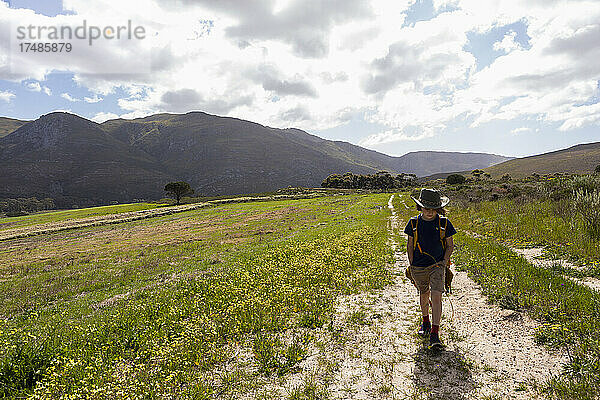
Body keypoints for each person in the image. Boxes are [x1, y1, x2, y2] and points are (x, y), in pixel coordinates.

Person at [404, 188, 456, 348]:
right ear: (420, 207)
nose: (429, 212)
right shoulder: (413, 223)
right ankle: (425, 321)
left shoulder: (444, 223)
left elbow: (450, 245)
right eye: (426, 208)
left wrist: (444, 262)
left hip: (437, 266)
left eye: (433, 209)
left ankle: (435, 333)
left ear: (438, 209)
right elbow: (410, 246)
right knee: (424, 293)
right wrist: (412, 266)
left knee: (436, 296)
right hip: (419, 267)